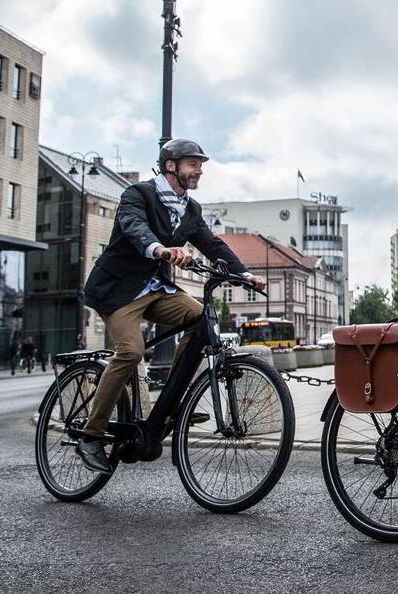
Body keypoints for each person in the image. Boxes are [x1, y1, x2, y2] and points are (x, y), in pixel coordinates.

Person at [74, 139, 265, 473]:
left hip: (156, 288)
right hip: (118, 291)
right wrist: (160, 249)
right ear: (171, 166)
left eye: (200, 165)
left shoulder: (190, 209)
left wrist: (245, 274)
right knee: (131, 352)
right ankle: (91, 434)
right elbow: (135, 227)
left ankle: (174, 401)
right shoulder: (139, 194)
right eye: (193, 164)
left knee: (202, 319)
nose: (199, 170)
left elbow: (212, 243)